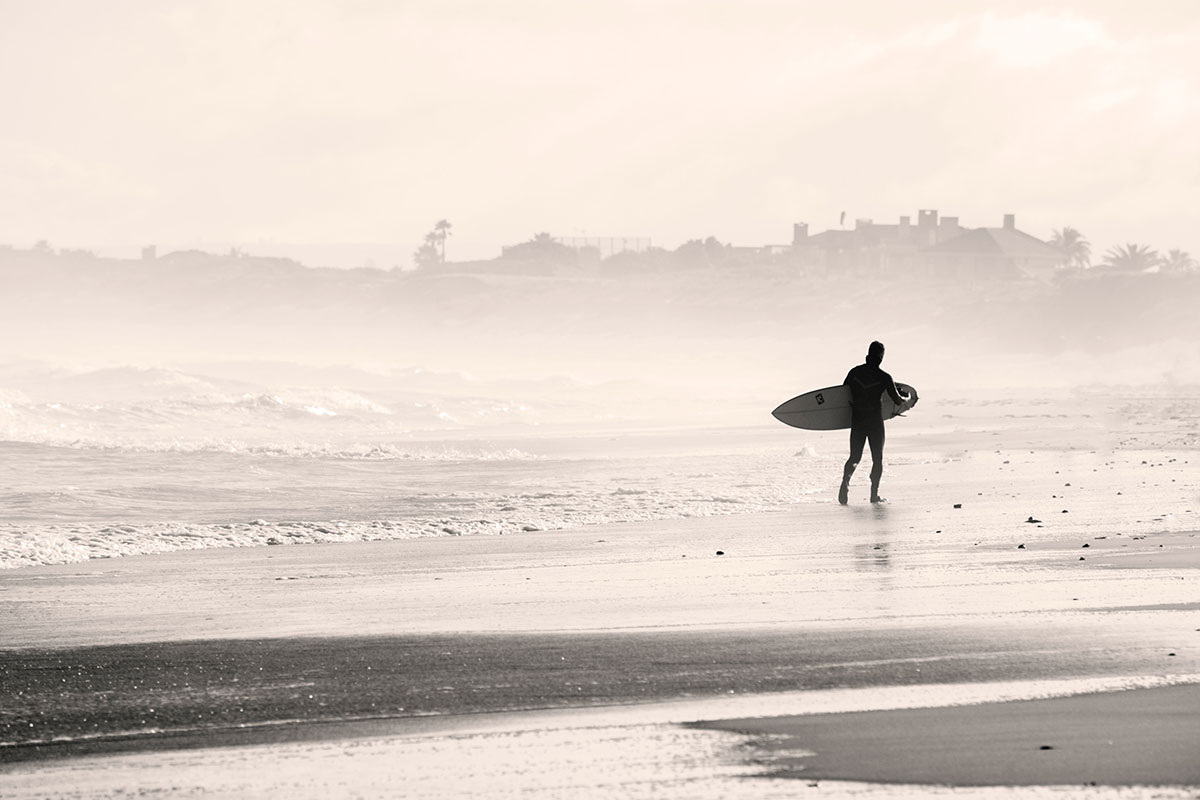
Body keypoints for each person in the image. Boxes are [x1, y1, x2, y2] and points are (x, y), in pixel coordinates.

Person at [839, 341, 910, 505]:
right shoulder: (884, 377)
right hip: (874, 422)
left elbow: (842, 395)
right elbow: (898, 401)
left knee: (854, 457)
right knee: (877, 459)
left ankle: (845, 484)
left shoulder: (854, 373)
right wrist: (906, 396)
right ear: (881, 357)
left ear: (868, 354)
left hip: (858, 419)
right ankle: (874, 495)